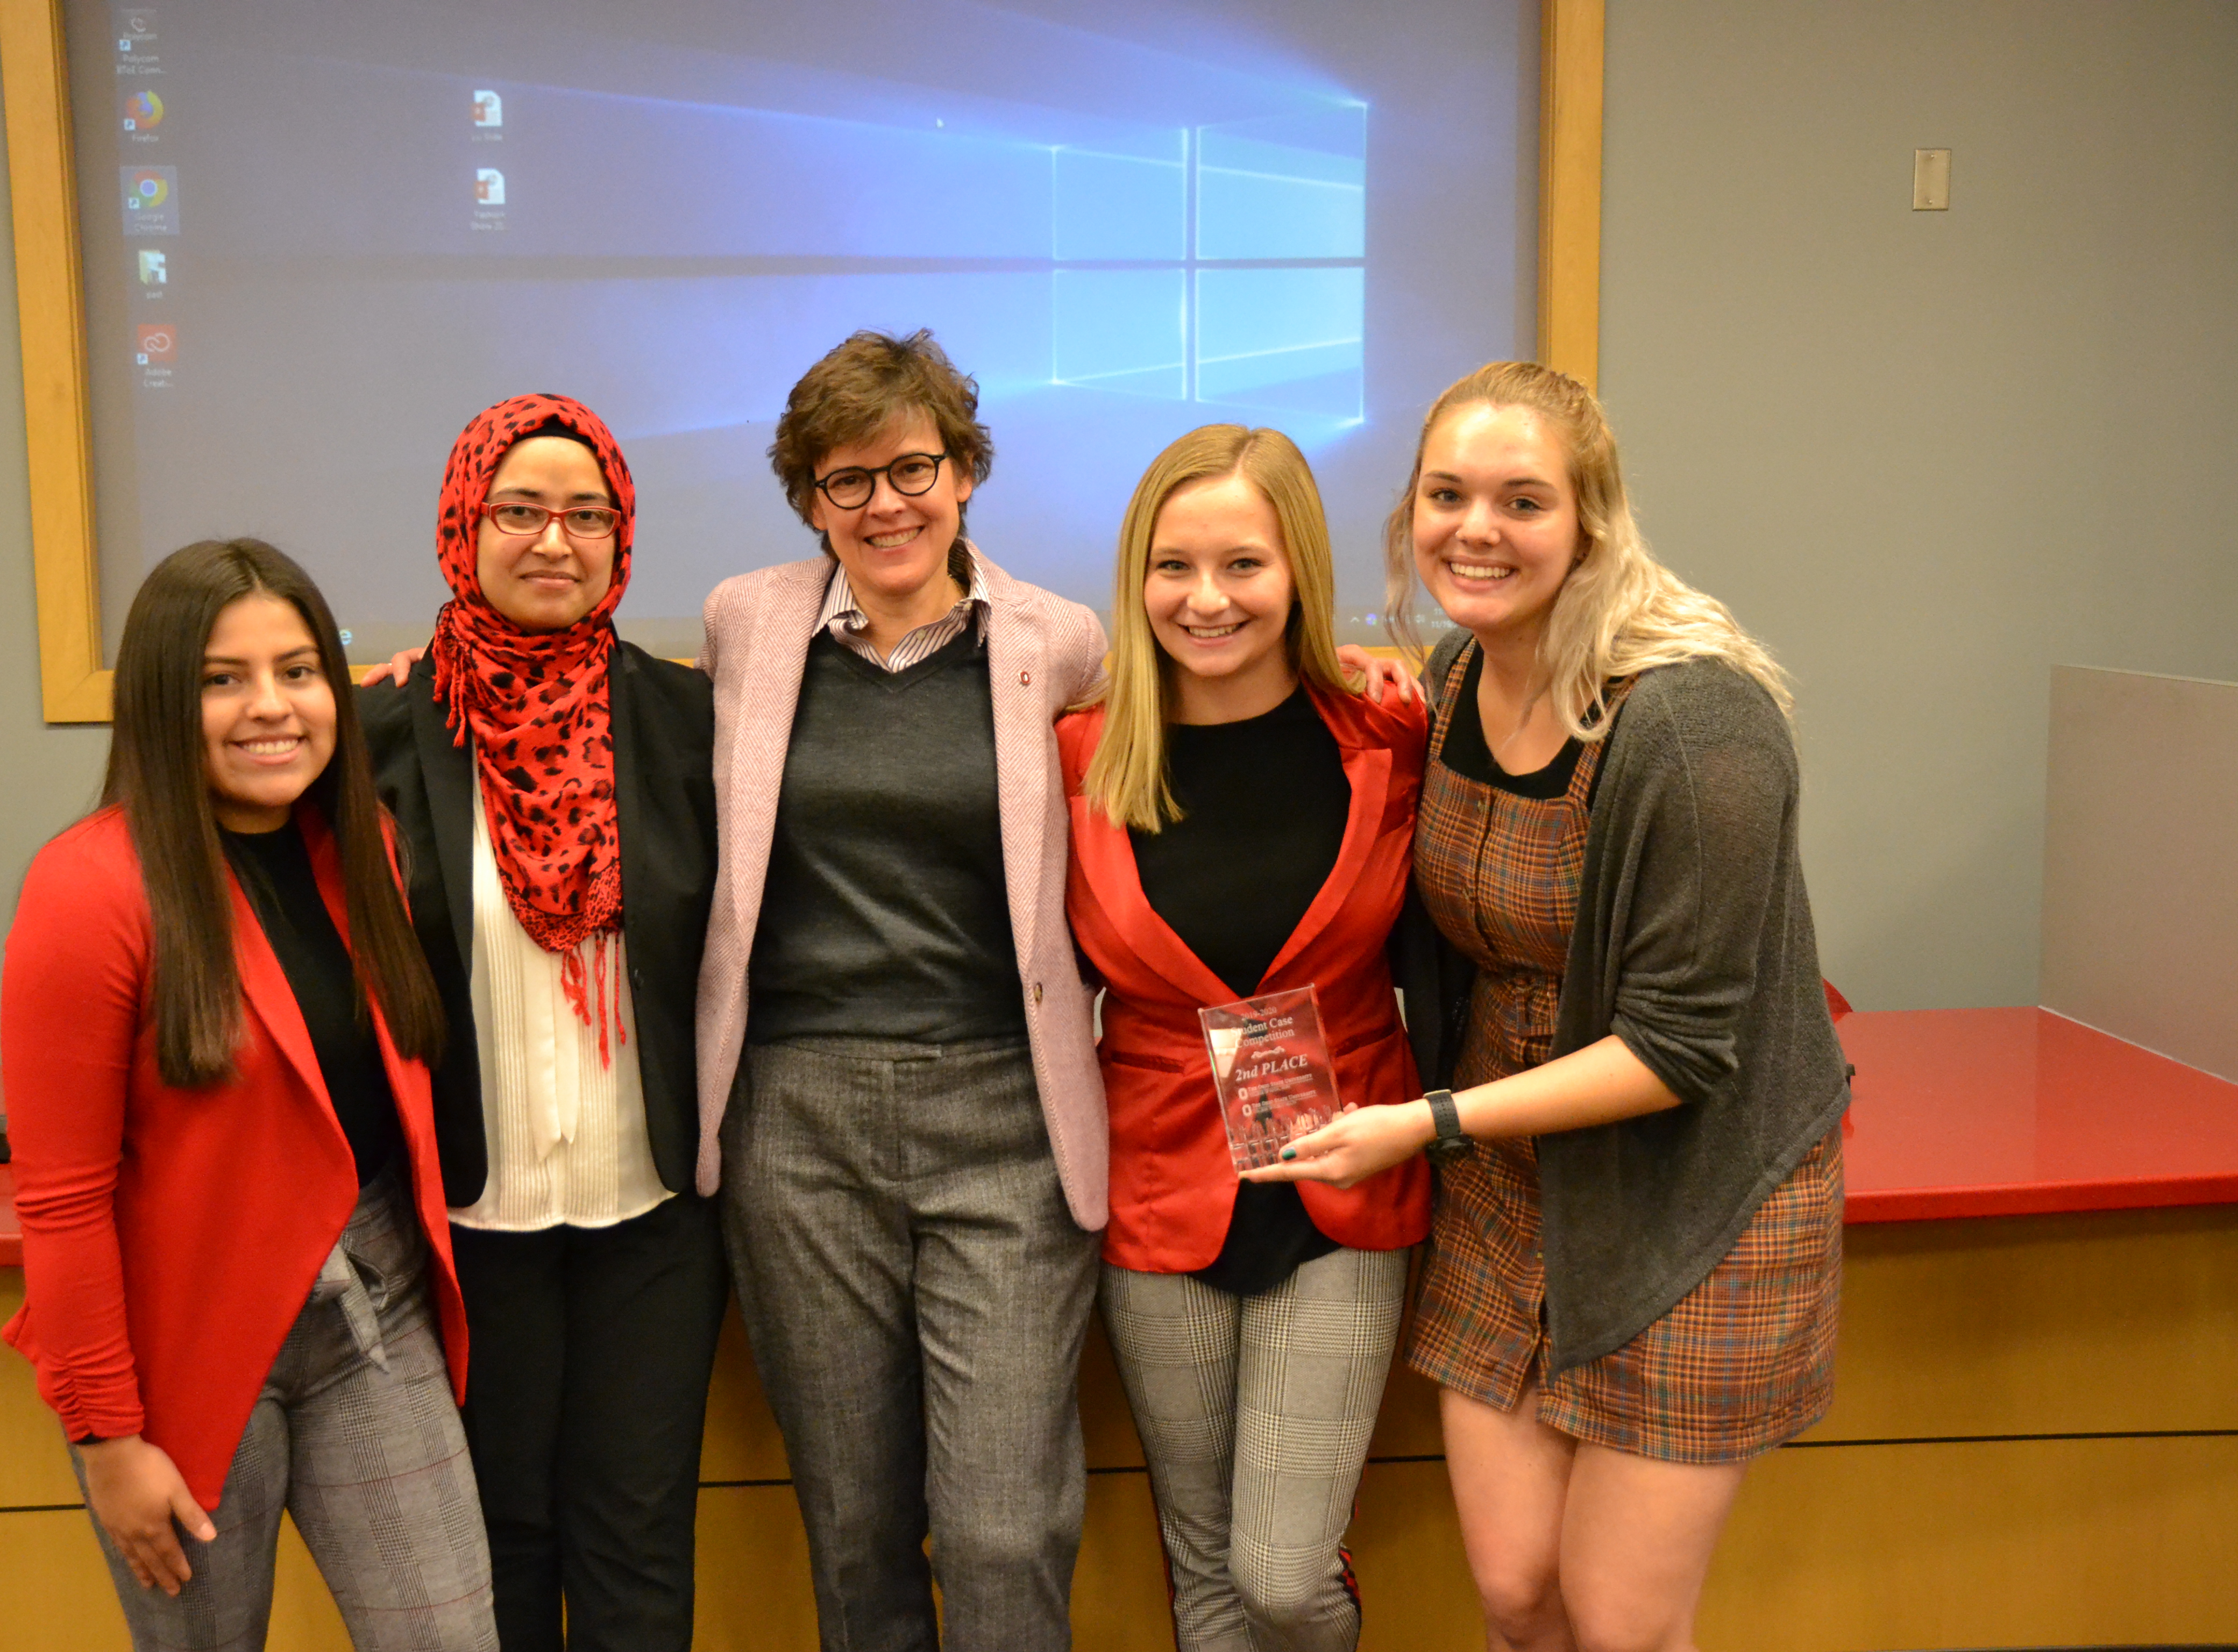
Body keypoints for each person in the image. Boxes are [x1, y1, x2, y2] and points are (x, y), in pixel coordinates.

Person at [1251, 362, 1847, 1652]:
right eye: (1447, 494)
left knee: (1622, 1626)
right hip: (1507, 1179)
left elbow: (1682, 1047)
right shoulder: (1462, 676)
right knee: (1522, 1598)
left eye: (1523, 501)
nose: (1478, 528)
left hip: (1689, 1195)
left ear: (1592, 519)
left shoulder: (1695, 724)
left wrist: (1422, 1123)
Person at [692, 329, 1107, 1652]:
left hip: (1005, 1113)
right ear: (810, 498)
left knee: (1003, 1525)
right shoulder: (745, 624)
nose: (885, 505)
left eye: (913, 468)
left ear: (968, 471)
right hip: (798, 1123)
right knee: (857, 1523)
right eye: (846, 481)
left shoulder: (1060, 641)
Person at [2, 538, 495, 1650]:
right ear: (164, 702)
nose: (269, 708)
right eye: (223, 680)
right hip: (185, 1348)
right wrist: (108, 1442)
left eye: (298, 670)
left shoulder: (357, 841)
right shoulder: (88, 889)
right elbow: (62, 1204)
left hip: (375, 1312)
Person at [358, 395, 726, 1652]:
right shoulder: (379, 732)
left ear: (624, 538)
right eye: (520, 510)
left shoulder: (689, 723)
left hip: (656, 1215)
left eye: (588, 514)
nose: (555, 540)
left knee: (638, 1539)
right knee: (497, 1538)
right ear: (465, 527)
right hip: (469, 1216)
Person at [1056, 425, 1432, 1651]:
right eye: (1174, 568)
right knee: (1204, 1567)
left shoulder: (1390, 735)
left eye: (1243, 566)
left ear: (1299, 572)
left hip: (1347, 1173)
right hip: (1158, 1188)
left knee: (1278, 1571)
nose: (1205, 600)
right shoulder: (1079, 755)